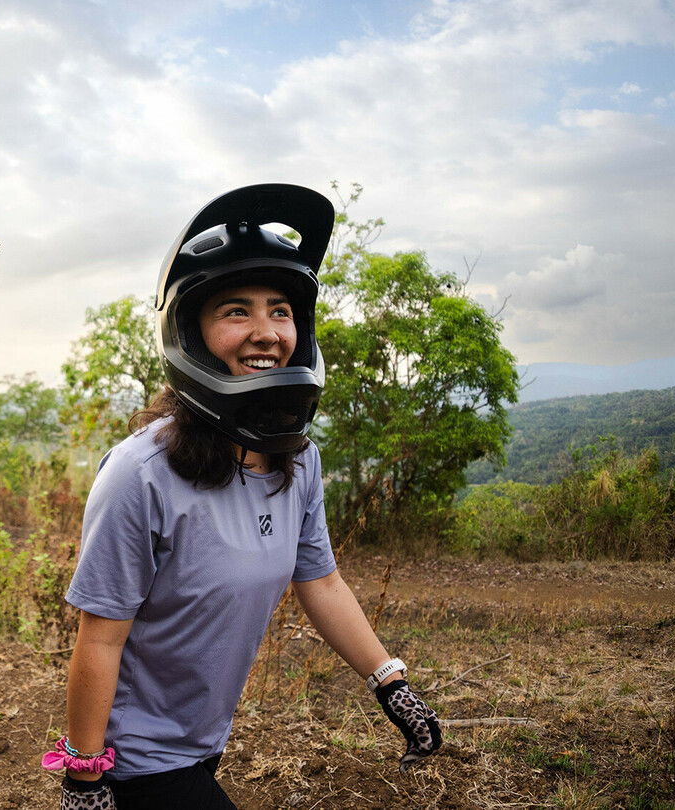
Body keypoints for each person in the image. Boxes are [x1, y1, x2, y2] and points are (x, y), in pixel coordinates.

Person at [50, 184, 442, 810]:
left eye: (281, 310)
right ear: (192, 332)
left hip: (202, 740)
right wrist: (83, 779)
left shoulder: (298, 459)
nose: (267, 332)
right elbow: (99, 637)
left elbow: (322, 582)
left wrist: (390, 682)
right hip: (135, 760)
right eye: (236, 311)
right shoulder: (141, 473)